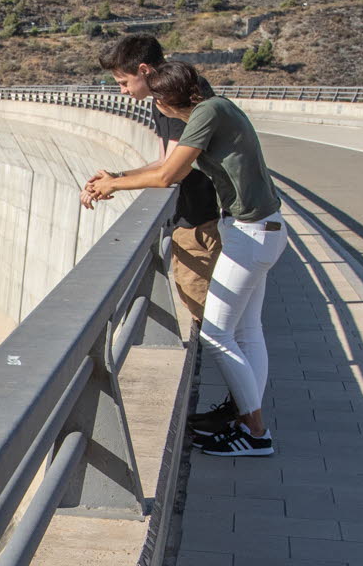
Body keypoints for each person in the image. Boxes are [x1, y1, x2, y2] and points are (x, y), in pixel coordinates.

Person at [83, 63, 286, 458]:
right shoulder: (215, 108)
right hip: (260, 231)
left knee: (216, 335)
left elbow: (167, 176)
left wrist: (112, 184)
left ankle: (257, 433)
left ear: (166, 100)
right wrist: (118, 176)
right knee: (246, 332)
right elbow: (167, 167)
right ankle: (247, 423)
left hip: (251, 235)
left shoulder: (206, 114)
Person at [95, 34, 223, 332]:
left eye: (124, 82)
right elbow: (165, 159)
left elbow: (172, 171)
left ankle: (231, 372)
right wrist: (120, 176)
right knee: (206, 313)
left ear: (143, 70)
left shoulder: (181, 96)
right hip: (188, 219)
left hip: (200, 223)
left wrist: (114, 186)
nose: (123, 91)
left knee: (208, 319)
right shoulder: (160, 101)